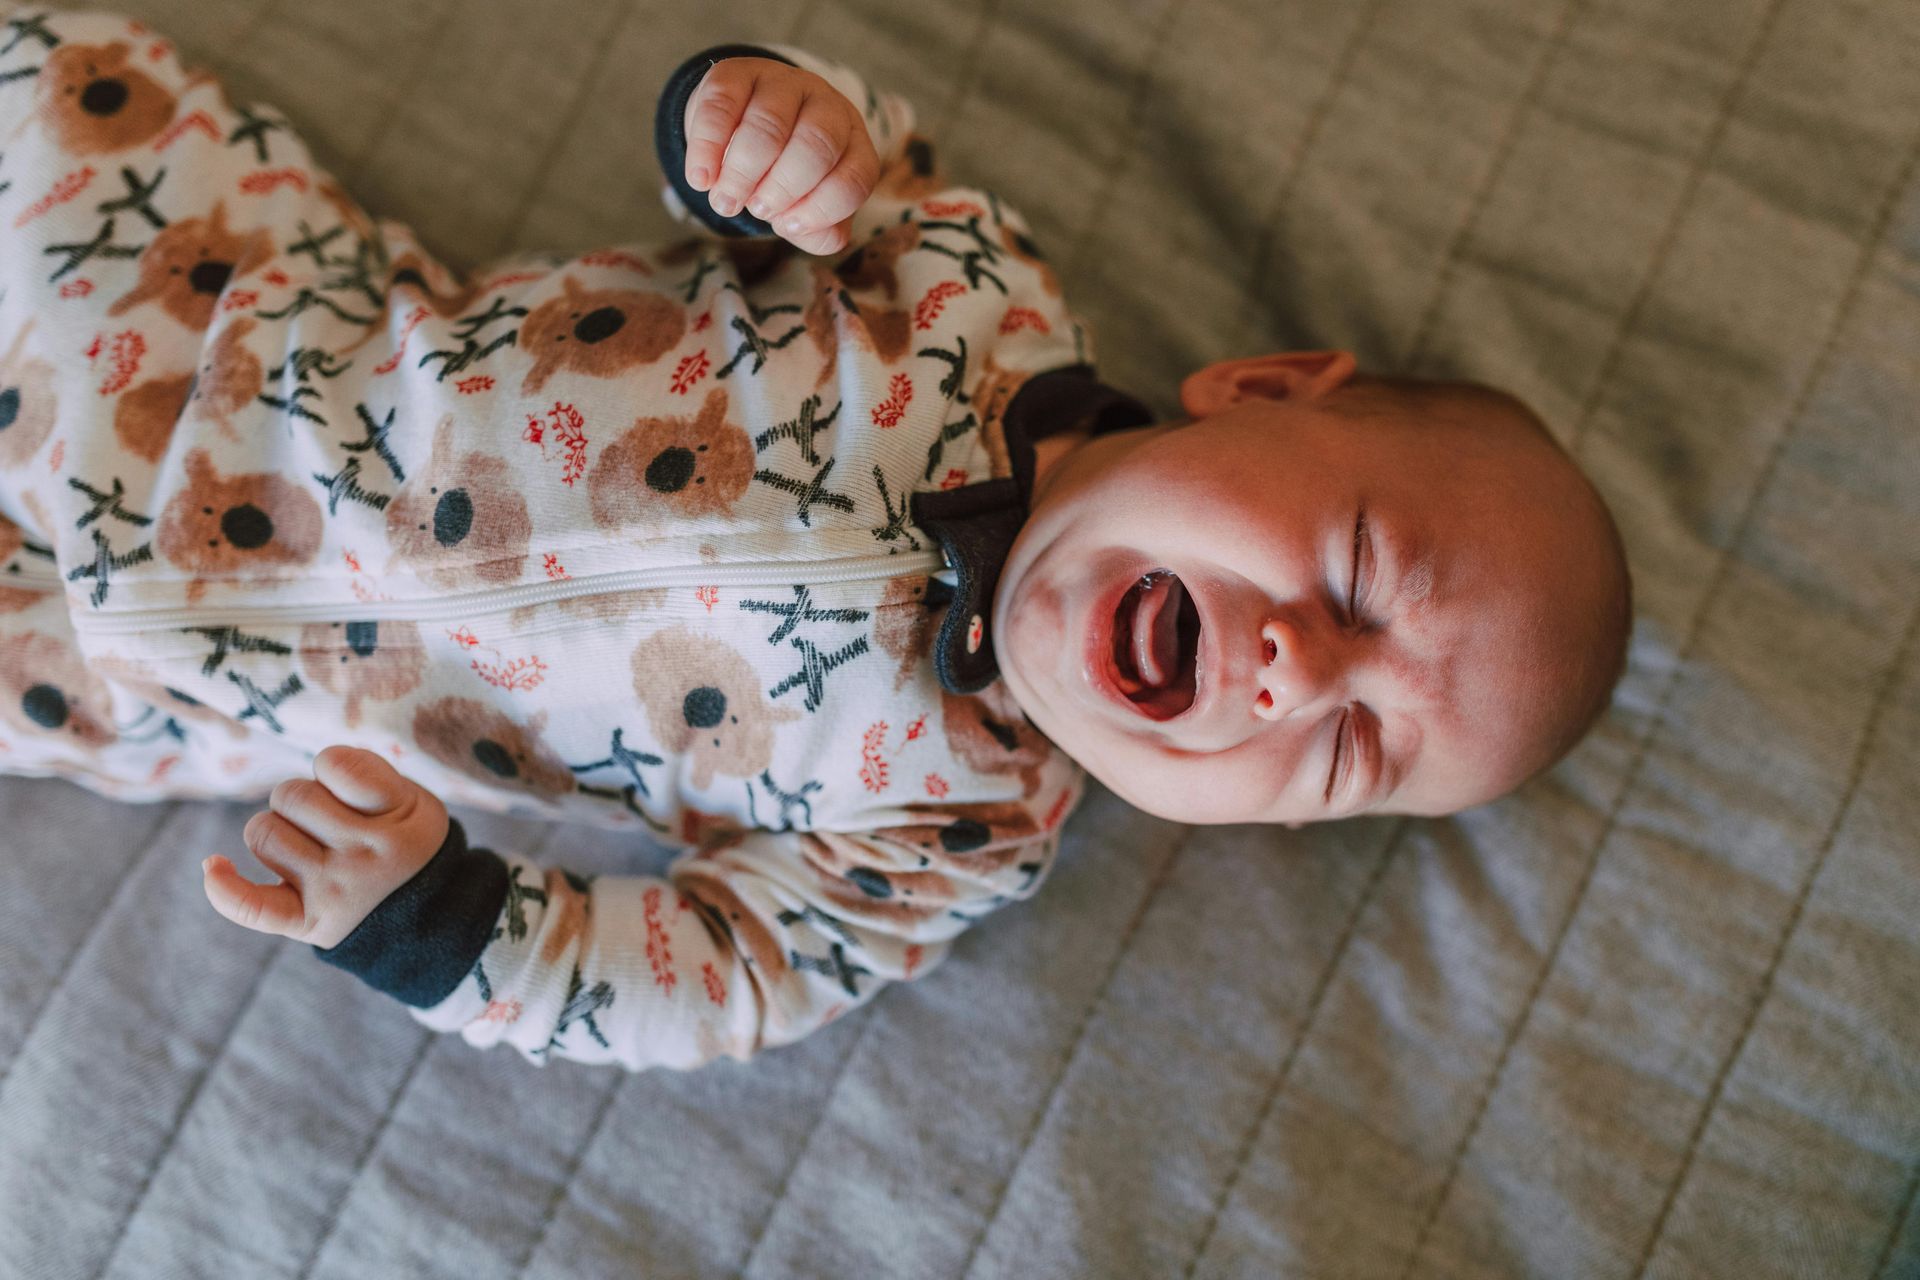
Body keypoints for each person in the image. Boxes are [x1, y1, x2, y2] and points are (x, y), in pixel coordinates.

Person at [0, 10, 1629, 1071]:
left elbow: (716, 979)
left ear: (1259, 823)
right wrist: (757, 130)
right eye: (1351, 575)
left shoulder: (955, 832)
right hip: (214, 312)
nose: (1292, 668)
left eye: (1345, 745)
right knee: (49, 97)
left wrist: (449, 931)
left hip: (178, 673)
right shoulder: (970, 300)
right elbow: (835, 165)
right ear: (1265, 388)